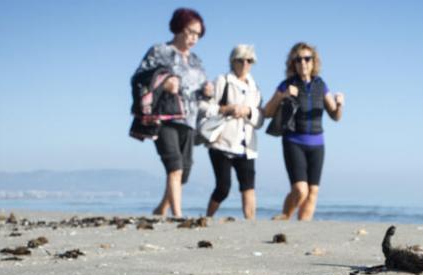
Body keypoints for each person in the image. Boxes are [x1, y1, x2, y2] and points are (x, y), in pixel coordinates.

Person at [134, 8, 213, 218]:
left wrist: (207, 91)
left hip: (189, 120)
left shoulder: (196, 60)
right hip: (163, 117)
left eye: (198, 34)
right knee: (174, 166)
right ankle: (177, 215)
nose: (194, 38)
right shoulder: (160, 51)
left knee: (184, 171)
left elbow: (200, 90)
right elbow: (139, 77)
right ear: (179, 27)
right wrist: (164, 82)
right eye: (191, 32)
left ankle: (161, 208)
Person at [263, 42, 344, 221]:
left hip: (317, 144)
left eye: (307, 58)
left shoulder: (321, 85)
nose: (303, 63)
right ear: (293, 63)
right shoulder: (286, 85)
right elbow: (267, 112)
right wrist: (283, 96)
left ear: (314, 62)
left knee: (313, 192)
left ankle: (302, 228)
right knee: (300, 190)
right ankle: (285, 217)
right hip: (294, 141)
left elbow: (335, 116)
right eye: (298, 59)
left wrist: (339, 105)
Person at [202, 45, 264, 219]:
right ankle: (208, 218)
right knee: (223, 187)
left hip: (247, 145)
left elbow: (260, 119)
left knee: (249, 187)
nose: (245, 64)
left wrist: (248, 112)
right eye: (240, 60)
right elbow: (206, 107)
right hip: (221, 142)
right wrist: (228, 109)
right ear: (232, 61)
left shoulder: (255, 88)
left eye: (249, 60)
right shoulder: (223, 81)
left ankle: (251, 224)